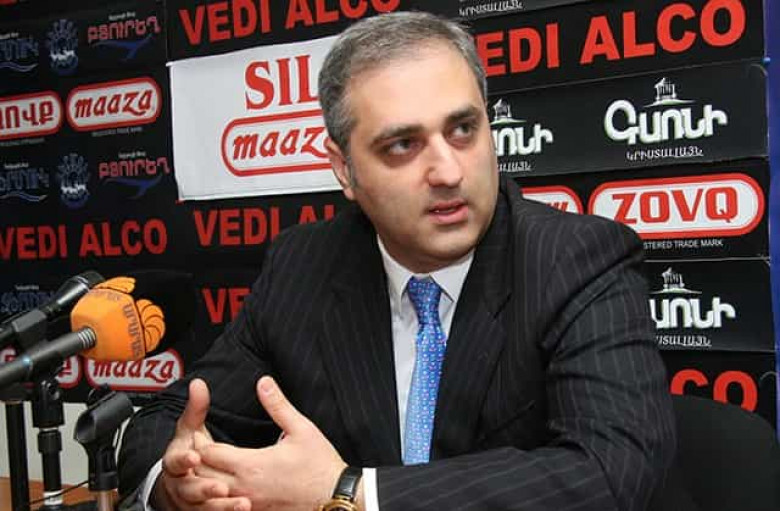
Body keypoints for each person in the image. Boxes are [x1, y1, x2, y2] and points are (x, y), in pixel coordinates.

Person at [118, 11, 675, 511]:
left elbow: (611, 469)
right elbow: (171, 420)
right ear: (344, 169)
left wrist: (349, 492)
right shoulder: (304, 265)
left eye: (463, 129)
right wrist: (176, 483)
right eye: (403, 145)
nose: (449, 172)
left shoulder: (576, 261)